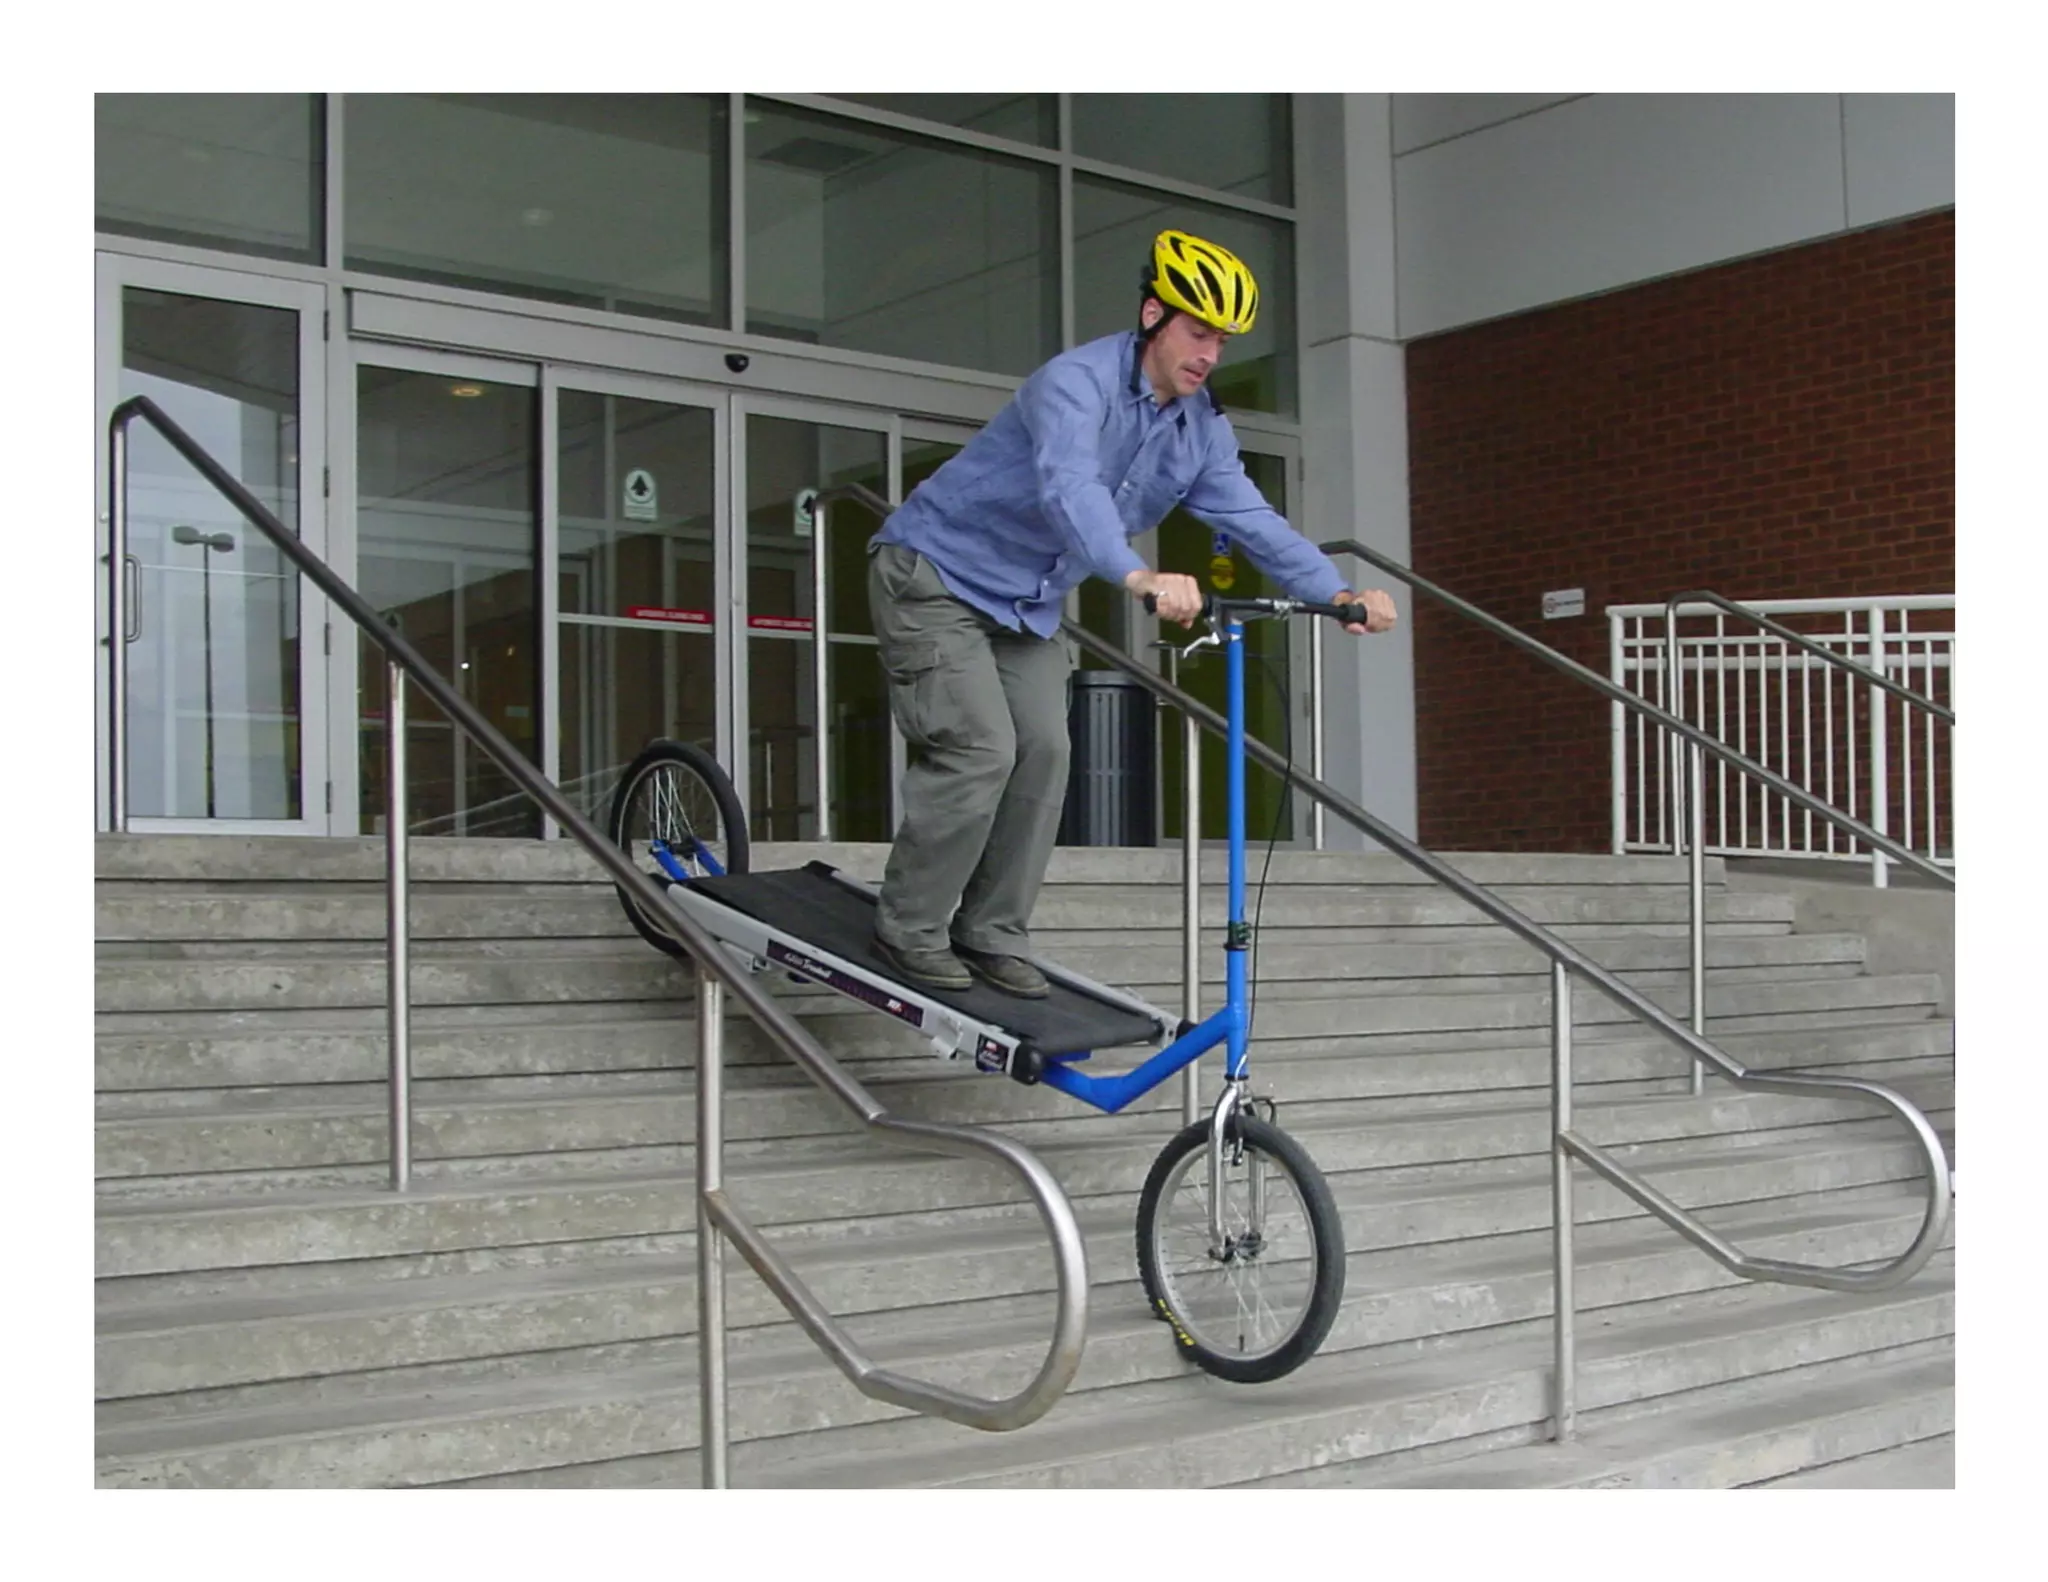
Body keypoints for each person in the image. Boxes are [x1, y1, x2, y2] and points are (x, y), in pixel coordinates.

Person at [865, 228, 1398, 998]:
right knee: (981, 748)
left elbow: (1253, 520)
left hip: (1025, 605)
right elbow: (1070, 489)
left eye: (1223, 340)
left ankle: (989, 932)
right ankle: (909, 928)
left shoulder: (1200, 429)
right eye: (1198, 331)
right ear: (1154, 315)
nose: (1210, 353)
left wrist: (1336, 592)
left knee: (1046, 751)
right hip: (936, 576)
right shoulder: (1073, 385)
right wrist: (1137, 575)